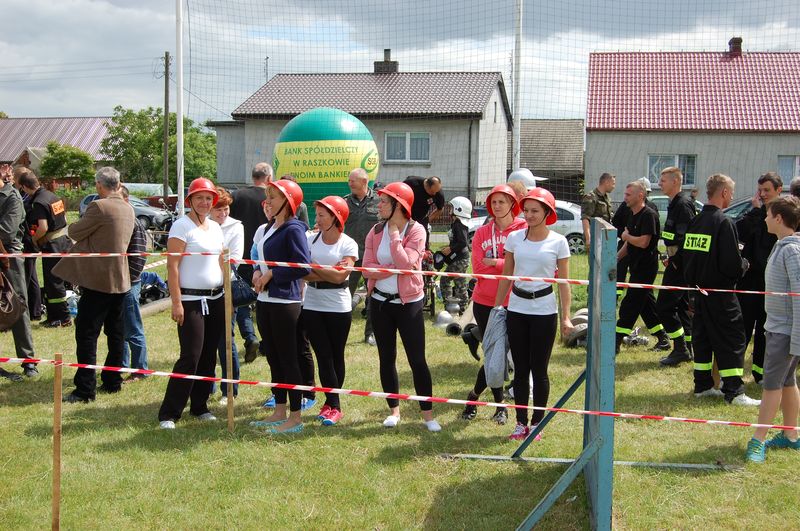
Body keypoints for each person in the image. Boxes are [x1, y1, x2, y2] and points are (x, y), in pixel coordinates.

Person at [495, 188, 573, 440]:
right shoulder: (515, 239)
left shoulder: (559, 242)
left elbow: (564, 282)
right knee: (520, 369)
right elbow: (506, 275)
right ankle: (520, 423)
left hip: (544, 311)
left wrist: (566, 317)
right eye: (526, 210)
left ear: (547, 213)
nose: (528, 215)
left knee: (539, 370)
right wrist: (498, 308)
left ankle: (537, 423)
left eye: (534, 210)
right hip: (517, 309)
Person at [363, 182, 441, 432]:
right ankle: (394, 412)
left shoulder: (417, 231)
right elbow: (366, 267)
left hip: (409, 304)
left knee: (417, 359)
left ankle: (428, 416)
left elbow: (407, 265)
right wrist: (387, 270)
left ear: (399, 205)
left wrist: (395, 235)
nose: (380, 204)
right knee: (387, 358)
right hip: (380, 304)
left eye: (385, 201)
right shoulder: (375, 231)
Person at [53, 167, 135, 403]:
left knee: (87, 334)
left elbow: (75, 231)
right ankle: (112, 381)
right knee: (116, 334)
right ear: (118, 184)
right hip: (120, 280)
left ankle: (85, 389)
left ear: (99, 185)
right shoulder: (128, 208)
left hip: (98, 281)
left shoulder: (99, 206)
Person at [682, 174, 760, 406]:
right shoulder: (723, 222)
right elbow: (730, 265)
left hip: (697, 292)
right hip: (721, 293)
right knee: (733, 338)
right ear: (724, 192)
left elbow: (688, 258)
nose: (732, 197)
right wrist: (743, 265)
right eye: (732, 193)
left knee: (703, 339)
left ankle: (703, 385)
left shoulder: (696, 221)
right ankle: (734, 392)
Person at [157, 178, 225, 428]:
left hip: (216, 298)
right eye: (199, 198)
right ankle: (169, 413)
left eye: (208, 198)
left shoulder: (216, 227)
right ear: (190, 201)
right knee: (191, 356)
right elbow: (172, 267)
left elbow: (220, 262)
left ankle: (200, 405)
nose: (205, 202)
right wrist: (177, 303)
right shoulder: (181, 226)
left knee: (208, 356)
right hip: (191, 299)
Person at [461, 184, 527, 424]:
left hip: (517, 301)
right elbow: (478, 268)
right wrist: (506, 263)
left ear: (512, 204)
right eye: (494, 202)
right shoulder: (481, 233)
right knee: (495, 353)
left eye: (502, 201)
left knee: (505, 353)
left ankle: (474, 396)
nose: (497, 206)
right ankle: (500, 406)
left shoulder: (523, 229)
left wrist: (497, 263)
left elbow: (523, 264)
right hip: (485, 301)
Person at [250, 179, 311, 434]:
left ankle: (295, 417)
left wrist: (272, 275)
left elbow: (303, 265)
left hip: (286, 302)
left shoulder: (295, 228)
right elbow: (257, 256)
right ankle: (279, 409)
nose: (268, 202)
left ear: (288, 201)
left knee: (289, 359)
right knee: (274, 356)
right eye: (268, 196)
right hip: (264, 301)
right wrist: (256, 272)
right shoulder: (267, 227)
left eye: (273, 197)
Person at [745, 196, 800, 462]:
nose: (764, 218)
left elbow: (799, 295)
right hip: (780, 328)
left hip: (785, 332)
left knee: (771, 384)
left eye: (768, 214)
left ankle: (758, 440)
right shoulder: (782, 246)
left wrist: (797, 339)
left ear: (779, 218)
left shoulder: (791, 250)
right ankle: (791, 436)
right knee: (787, 382)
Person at [302, 196, 358, 426]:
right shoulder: (308, 239)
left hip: (339, 305)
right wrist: (326, 270)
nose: (317, 219)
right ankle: (334, 405)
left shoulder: (348, 244)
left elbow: (340, 276)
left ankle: (330, 403)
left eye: (322, 215)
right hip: (312, 303)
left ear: (336, 217)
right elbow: (303, 273)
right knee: (323, 355)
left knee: (336, 356)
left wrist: (315, 268)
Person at [735, 172, 783, 383]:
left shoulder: (784, 214)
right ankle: (733, 373)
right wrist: (756, 211)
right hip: (750, 282)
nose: (762, 194)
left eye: (767, 190)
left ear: (779, 190)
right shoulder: (755, 213)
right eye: (760, 190)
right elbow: (740, 232)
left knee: (766, 330)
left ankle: (760, 372)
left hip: (772, 283)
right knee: (743, 328)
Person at [615, 180, 669, 353]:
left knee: (629, 305)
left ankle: (614, 342)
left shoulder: (649, 215)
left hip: (646, 267)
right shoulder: (632, 214)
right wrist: (615, 258)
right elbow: (629, 244)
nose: (625, 198)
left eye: (628, 195)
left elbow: (644, 242)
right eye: (625, 194)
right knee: (646, 306)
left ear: (640, 195)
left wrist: (626, 237)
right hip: (635, 265)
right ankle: (663, 338)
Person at [18, 171, 71, 327]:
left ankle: (61, 318)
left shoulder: (39, 202)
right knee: (55, 282)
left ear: (25, 187)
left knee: (53, 283)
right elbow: (64, 218)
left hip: (53, 244)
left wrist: (34, 240)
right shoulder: (52, 196)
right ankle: (55, 316)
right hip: (63, 241)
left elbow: (43, 227)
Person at [229, 163, 270, 363]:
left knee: (241, 302)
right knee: (265, 303)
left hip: (240, 259)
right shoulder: (272, 199)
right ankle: (263, 341)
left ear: (252, 176)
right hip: (264, 260)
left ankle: (250, 337)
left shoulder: (237, 196)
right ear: (269, 178)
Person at [656, 167, 697, 366]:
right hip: (675, 262)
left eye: (663, 180)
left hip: (680, 266)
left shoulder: (683, 205)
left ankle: (680, 348)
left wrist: (675, 262)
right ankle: (687, 348)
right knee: (681, 308)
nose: (659, 184)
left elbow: (687, 240)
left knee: (663, 306)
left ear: (675, 182)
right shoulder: (675, 204)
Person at [0, 163, 37, 379]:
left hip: (8, 258)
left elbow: (7, 231)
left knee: (17, 305)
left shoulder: (12, 197)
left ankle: (28, 360)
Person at [209, 187, 244, 404]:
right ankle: (207, 384)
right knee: (207, 342)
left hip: (226, 288)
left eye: (226, 208)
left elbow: (236, 259)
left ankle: (229, 389)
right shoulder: (201, 226)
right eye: (218, 209)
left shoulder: (236, 227)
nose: (223, 213)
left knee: (225, 341)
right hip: (204, 290)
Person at [343, 168, 380, 345]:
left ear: (364, 182)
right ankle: (340, 332)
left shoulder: (380, 201)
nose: (350, 184)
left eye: (353, 181)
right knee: (343, 295)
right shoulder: (344, 203)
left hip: (372, 258)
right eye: (349, 181)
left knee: (373, 296)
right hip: (350, 258)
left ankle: (370, 333)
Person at [119, 185, 149, 382]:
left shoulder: (134, 223)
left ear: (127, 201)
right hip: (116, 284)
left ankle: (140, 369)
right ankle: (120, 367)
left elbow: (139, 258)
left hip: (129, 283)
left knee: (132, 327)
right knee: (118, 329)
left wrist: (129, 281)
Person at [13, 167, 42, 321]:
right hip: (29, 242)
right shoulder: (26, 196)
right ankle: (35, 310)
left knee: (26, 277)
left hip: (28, 242)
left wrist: (33, 240)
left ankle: (32, 311)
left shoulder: (28, 198)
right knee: (31, 277)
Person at [439, 196, 472, 312]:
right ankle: (462, 309)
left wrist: (450, 249)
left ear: (458, 209)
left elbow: (462, 242)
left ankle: (449, 306)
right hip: (460, 258)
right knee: (460, 283)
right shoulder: (457, 223)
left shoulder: (459, 224)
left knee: (444, 280)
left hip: (460, 259)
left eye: (451, 208)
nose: (449, 210)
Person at [403, 175, 445, 247]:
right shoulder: (412, 183)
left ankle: (424, 255)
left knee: (423, 242)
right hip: (405, 216)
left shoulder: (438, 193)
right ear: (427, 186)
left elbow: (440, 209)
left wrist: (428, 220)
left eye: (437, 191)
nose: (434, 194)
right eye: (432, 192)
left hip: (421, 218)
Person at [581, 172, 616, 246]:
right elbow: (585, 218)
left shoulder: (606, 198)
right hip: (595, 237)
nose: (614, 186)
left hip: (605, 236)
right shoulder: (591, 197)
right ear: (606, 182)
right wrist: (588, 239)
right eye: (613, 184)